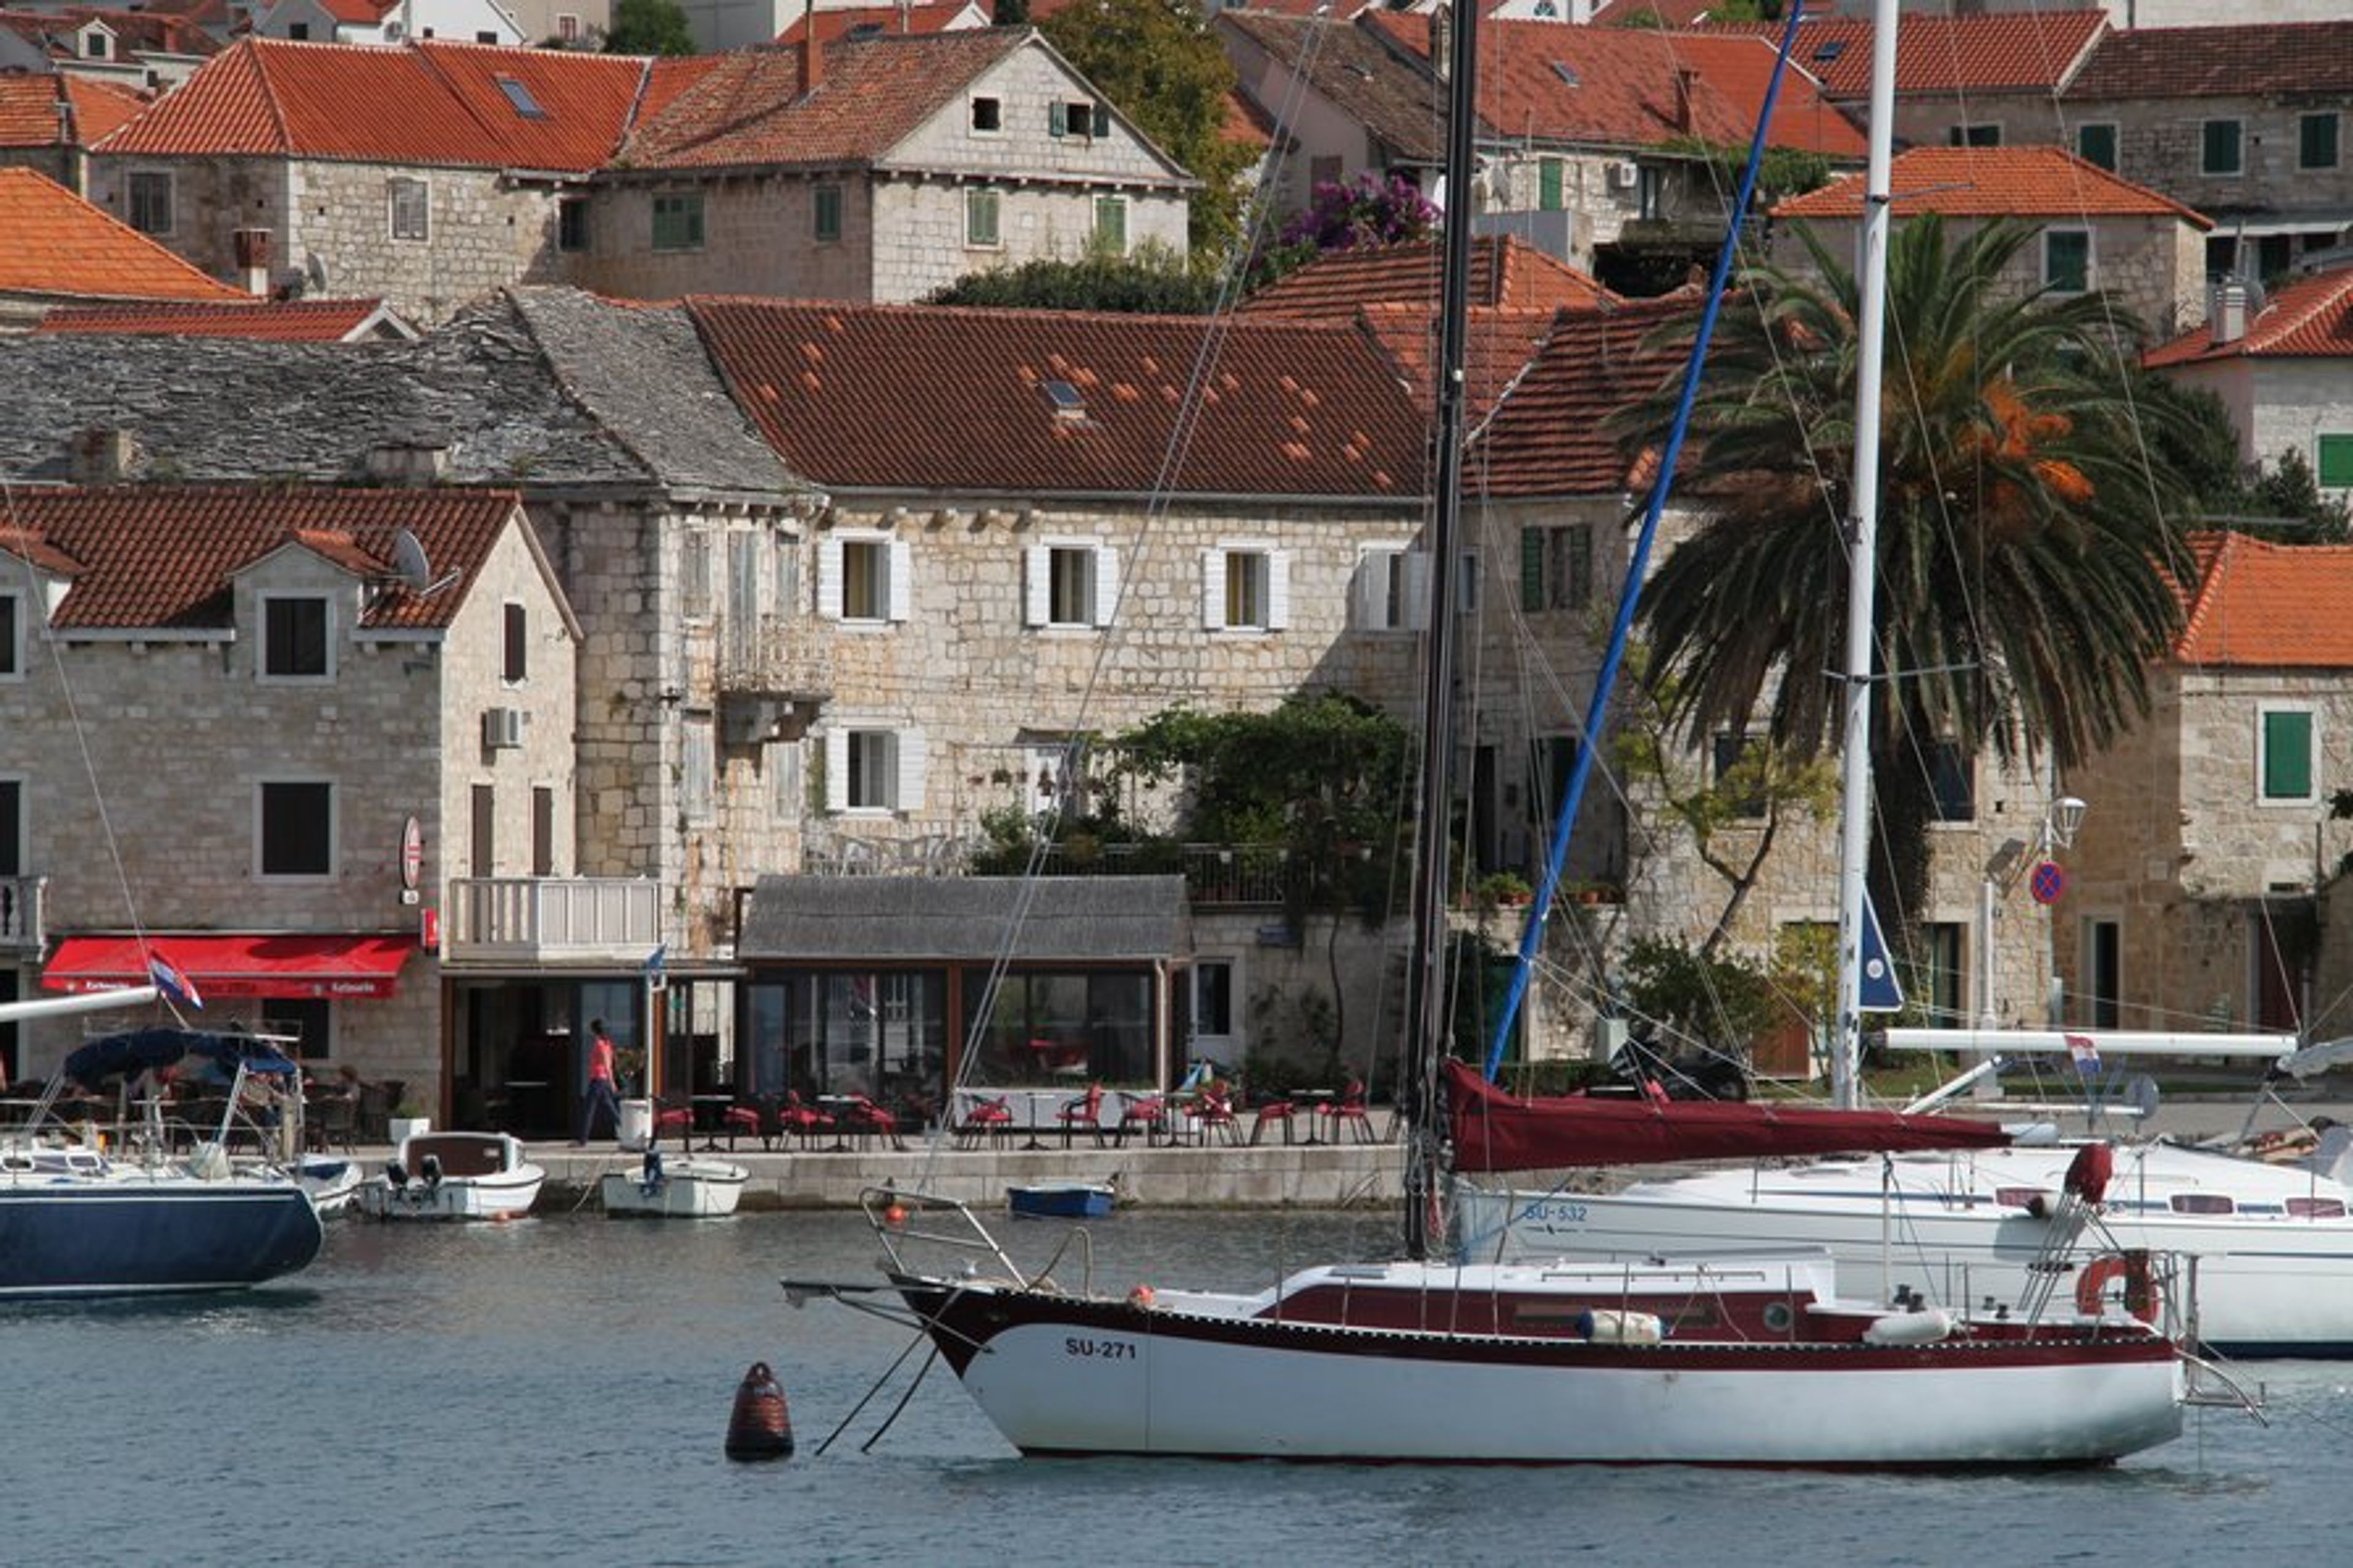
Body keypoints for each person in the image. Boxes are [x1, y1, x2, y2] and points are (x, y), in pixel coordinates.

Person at [575, 1019, 621, 1145]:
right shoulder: (608, 1044)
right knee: (610, 1109)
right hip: (602, 1081)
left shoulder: (600, 1044)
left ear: (594, 1030)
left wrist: (612, 1083)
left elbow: (607, 1064)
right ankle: (627, 1129)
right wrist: (611, 1082)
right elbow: (610, 1064)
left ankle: (582, 1140)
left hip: (598, 1080)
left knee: (589, 1110)